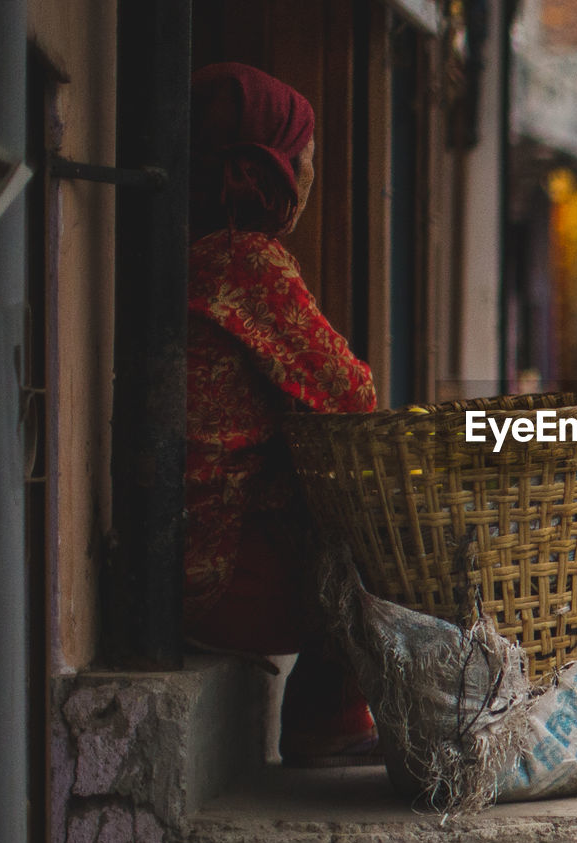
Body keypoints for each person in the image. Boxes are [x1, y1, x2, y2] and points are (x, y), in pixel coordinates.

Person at [186, 62, 378, 764]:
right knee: (385, 516)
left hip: (190, 551)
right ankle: (327, 718)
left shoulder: (197, 253)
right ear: (269, 166)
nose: (312, 173)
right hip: (221, 575)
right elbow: (352, 392)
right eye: (306, 157)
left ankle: (326, 716)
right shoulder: (246, 262)